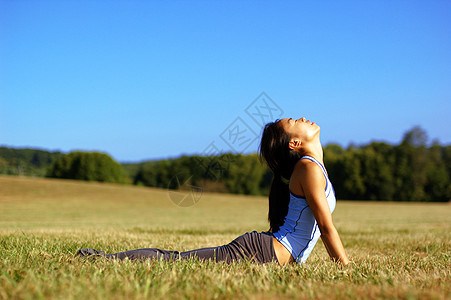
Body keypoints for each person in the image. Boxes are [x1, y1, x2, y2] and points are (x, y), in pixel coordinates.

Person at [76, 117, 349, 266]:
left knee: (179, 259)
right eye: (294, 121)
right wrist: (345, 269)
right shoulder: (307, 169)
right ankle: (102, 259)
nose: (302, 118)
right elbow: (325, 228)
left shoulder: (311, 167)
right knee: (178, 260)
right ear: (295, 143)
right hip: (261, 252)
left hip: (268, 251)